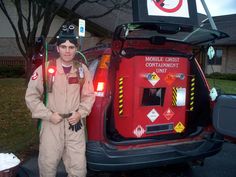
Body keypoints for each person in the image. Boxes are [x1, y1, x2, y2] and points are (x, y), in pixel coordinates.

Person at [25, 24, 95, 177]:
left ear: (76, 48)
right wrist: (48, 115)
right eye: (63, 46)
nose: (67, 50)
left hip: (74, 125)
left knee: (78, 168)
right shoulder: (45, 69)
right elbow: (31, 96)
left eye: (71, 47)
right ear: (57, 48)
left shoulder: (82, 70)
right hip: (51, 124)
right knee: (47, 166)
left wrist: (80, 113)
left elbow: (89, 96)